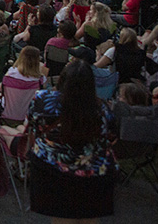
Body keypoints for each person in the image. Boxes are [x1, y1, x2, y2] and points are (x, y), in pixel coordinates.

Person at [27, 60, 116, 222]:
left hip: (53, 169)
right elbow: (110, 134)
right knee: (88, 218)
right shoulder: (102, 109)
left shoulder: (43, 101)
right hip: (93, 172)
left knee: (62, 217)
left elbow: (33, 124)